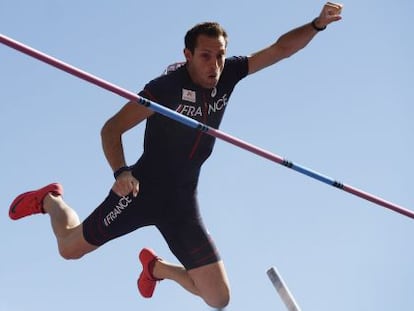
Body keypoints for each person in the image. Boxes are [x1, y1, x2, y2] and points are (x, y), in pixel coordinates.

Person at [9, 3, 342, 309]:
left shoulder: (229, 75)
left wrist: (317, 24)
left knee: (218, 299)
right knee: (69, 249)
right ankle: (51, 199)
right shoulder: (165, 87)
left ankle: (156, 269)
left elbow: (280, 50)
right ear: (188, 54)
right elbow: (111, 129)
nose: (215, 65)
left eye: (220, 55)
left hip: (182, 200)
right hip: (141, 190)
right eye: (205, 56)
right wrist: (121, 173)